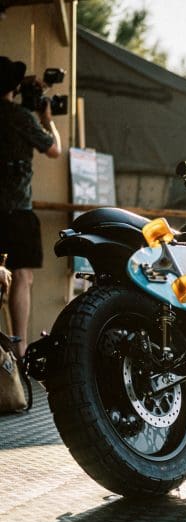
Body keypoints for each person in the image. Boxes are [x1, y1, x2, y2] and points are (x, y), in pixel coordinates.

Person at [0, 56, 61, 357]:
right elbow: (54, 149)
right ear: (13, 86)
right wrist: (47, 119)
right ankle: (18, 347)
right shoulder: (21, 117)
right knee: (21, 277)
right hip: (17, 211)